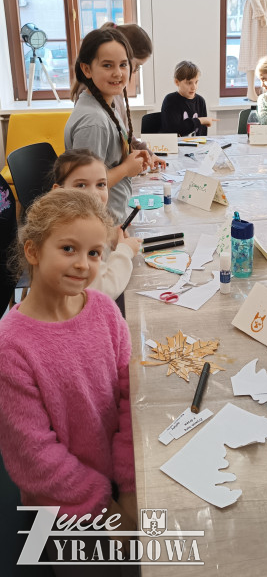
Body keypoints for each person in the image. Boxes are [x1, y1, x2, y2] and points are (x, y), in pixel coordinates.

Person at [0, 188, 137, 530]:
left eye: (94, 253)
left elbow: (130, 394)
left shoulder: (104, 310)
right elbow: (34, 457)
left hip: (122, 478)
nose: (82, 264)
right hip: (66, 506)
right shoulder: (10, 346)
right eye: (68, 249)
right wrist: (105, 509)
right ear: (32, 250)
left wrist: (131, 482)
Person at [64, 27, 150, 222]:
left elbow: (107, 162)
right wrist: (126, 169)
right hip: (102, 226)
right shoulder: (94, 122)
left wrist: (130, 158)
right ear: (87, 69)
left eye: (123, 64)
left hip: (113, 219)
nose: (118, 73)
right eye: (107, 65)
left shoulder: (106, 104)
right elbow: (83, 191)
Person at [53, 149, 141, 301]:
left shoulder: (78, 220)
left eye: (101, 184)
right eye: (81, 185)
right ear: (58, 191)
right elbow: (105, 289)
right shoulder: (74, 231)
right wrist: (125, 251)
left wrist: (109, 238)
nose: (94, 193)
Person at [100, 22, 166, 170]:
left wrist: (147, 154)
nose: (133, 72)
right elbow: (93, 178)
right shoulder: (94, 114)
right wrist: (125, 169)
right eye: (134, 66)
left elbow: (125, 135)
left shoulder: (115, 94)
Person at [161, 60, 217, 136]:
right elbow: (175, 129)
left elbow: (202, 133)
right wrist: (200, 120)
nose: (194, 87)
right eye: (189, 83)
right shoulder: (170, 100)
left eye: (196, 82)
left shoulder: (200, 101)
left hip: (197, 146)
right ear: (177, 82)